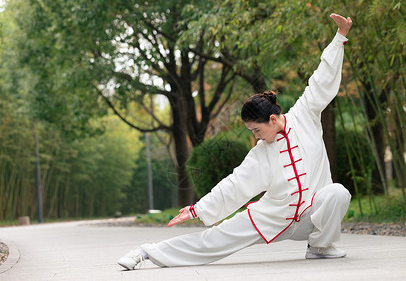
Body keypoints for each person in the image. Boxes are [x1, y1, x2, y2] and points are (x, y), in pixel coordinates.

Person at [118, 13, 353, 270]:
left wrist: (339, 37)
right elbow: (233, 185)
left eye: (256, 130)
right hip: (272, 217)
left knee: (337, 193)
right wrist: (197, 209)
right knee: (214, 240)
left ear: (273, 119)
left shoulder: (305, 115)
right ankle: (145, 253)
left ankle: (320, 247)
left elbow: (321, 80)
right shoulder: (261, 154)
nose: (255, 137)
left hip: (310, 217)